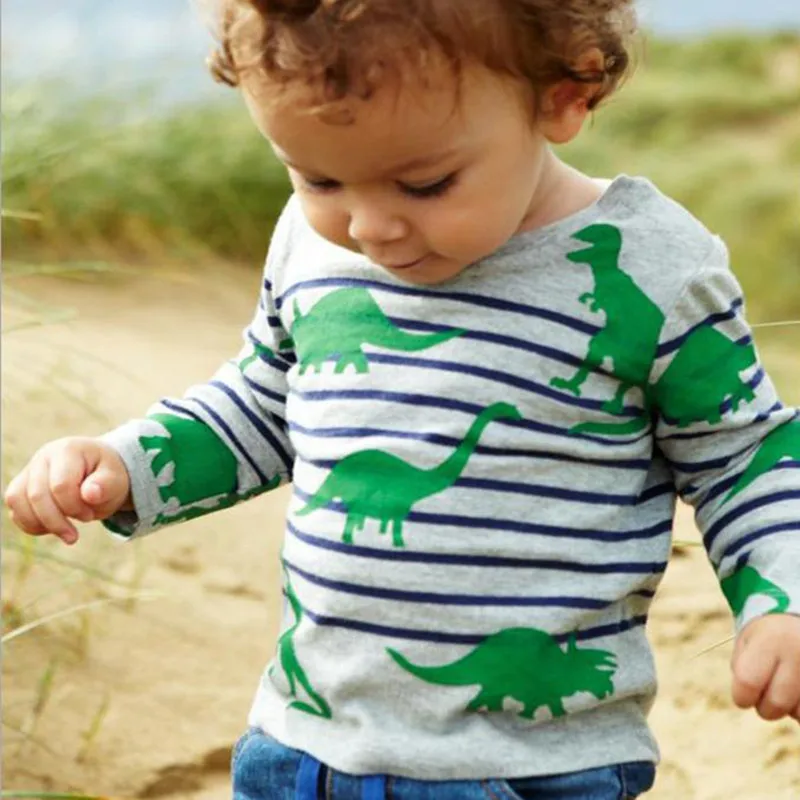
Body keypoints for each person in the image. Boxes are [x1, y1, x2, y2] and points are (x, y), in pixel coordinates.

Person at [5, 0, 800, 797]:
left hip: (531, 767)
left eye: (425, 184)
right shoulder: (312, 244)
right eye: (317, 177)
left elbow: (745, 458)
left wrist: (782, 598)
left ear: (563, 95)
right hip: (301, 747)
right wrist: (126, 463)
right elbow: (266, 403)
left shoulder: (659, 268)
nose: (370, 227)